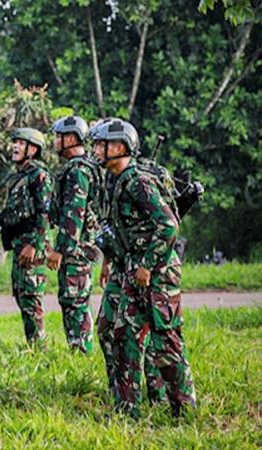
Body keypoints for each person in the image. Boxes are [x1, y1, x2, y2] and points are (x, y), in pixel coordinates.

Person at [91, 119, 196, 417]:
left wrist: (148, 265)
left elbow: (168, 226)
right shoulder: (116, 180)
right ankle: (127, 410)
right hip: (134, 271)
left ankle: (184, 409)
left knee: (166, 341)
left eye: (102, 144)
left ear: (121, 147)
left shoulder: (138, 182)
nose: (97, 149)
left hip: (159, 272)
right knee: (122, 335)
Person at [0, 128, 52, 347]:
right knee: (23, 296)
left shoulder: (38, 175)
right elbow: (18, 212)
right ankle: (34, 346)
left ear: (33, 149)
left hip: (31, 244)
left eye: (21, 143)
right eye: (14, 142)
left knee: (31, 298)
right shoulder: (20, 176)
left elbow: (45, 212)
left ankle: (39, 351)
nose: (15, 146)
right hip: (20, 243)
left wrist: (34, 244)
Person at [46, 116, 101, 354]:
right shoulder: (77, 168)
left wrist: (60, 249)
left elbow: (73, 215)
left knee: (76, 302)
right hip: (76, 247)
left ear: (71, 138)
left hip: (76, 249)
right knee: (70, 300)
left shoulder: (78, 171)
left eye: (59, 136)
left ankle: (81, 352)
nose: (56, 141)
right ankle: (76, 349)